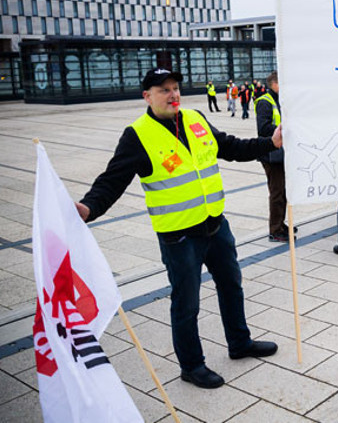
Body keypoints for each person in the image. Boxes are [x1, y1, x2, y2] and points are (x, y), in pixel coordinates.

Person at [75, 68, 281, 389]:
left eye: (175, 88)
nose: (173, 94)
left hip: (216, 225)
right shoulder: (137, 134)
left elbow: (230, 147)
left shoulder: (195, 119)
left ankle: (240, 343)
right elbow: (112, 180)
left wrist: (270, 141)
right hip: (180, 236)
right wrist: (88, 207)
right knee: (186, 302)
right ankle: (192, 365)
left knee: (232, 287)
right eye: (163, 90)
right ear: (147, 96)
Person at [256, 71, 290, 242]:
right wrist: (284, 129)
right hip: (271, 155)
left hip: (281, 153)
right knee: (277, 192)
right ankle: (275, 229)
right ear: (274, 84)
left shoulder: (280, 100)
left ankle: (281, 223)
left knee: (283, 191)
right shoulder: (265, 102)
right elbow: (263, 129)